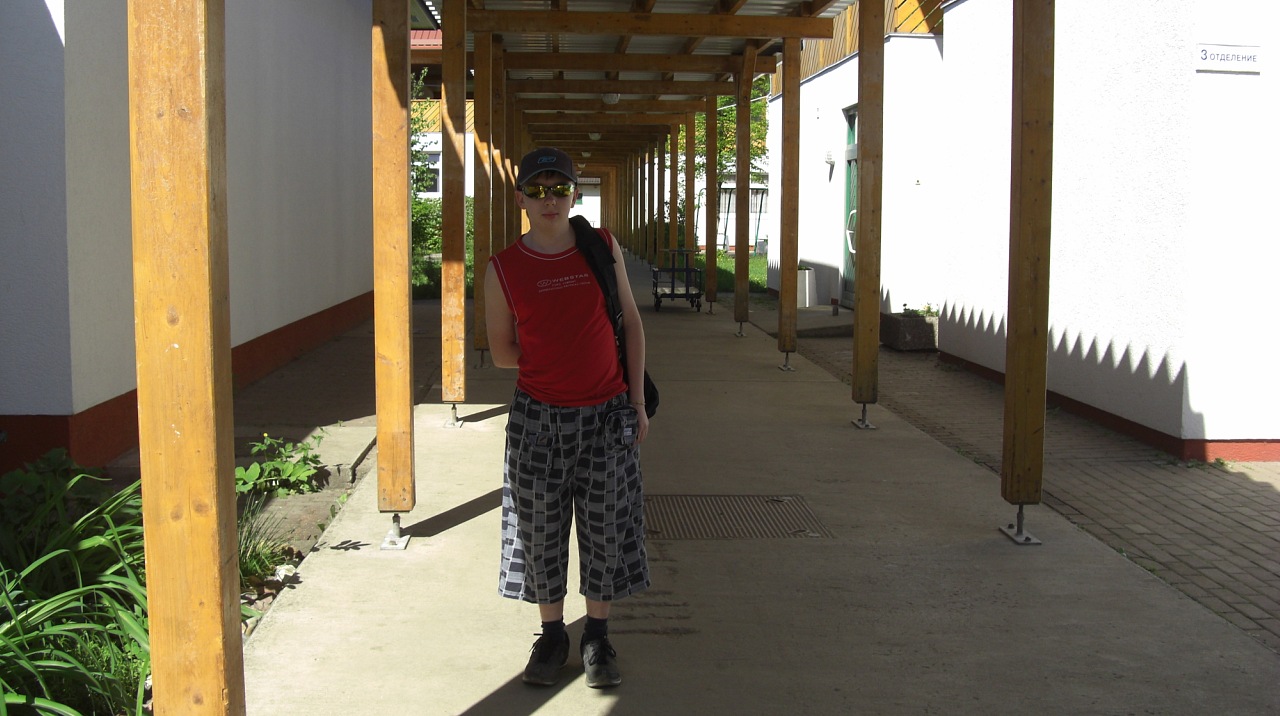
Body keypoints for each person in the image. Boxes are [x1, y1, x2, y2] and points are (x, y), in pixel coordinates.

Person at [484, 147, 651, 689]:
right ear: (521, 199)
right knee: (540, 532)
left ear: (574, 194)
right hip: (537, 421)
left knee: (606, 529)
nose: (549, 199)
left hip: (607, 417)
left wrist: (635, 402)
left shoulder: (601, 246)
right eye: (538, 189)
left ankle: (597, 636)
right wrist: (556, 354)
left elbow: (630, 322)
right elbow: (502, 352)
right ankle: (553, 634)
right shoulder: (503, 268)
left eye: (559, 188)